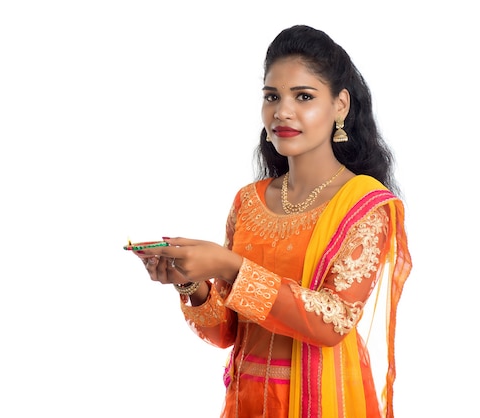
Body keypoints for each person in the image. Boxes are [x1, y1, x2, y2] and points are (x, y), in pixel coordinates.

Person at [132, 24, 412, 418]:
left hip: (326, 400)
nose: (282, 111)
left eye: (304, 96)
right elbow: (229, 331)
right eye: (272, 96)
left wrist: (230, 265)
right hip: (247, 400)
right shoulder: (249, 201)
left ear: (340, 106)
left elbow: (331, 322)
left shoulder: (364, 205)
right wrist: (190, 283)